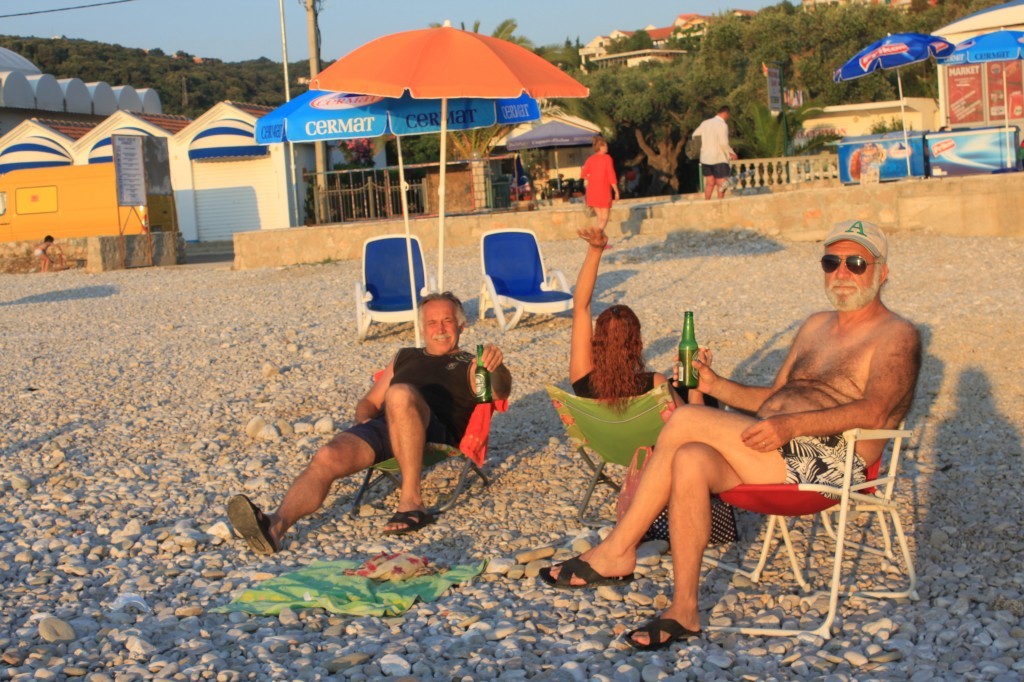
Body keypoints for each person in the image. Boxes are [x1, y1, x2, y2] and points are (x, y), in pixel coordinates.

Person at [543, 220, 921, 651]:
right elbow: (773, 399)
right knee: (689, 457)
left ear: (882, 272)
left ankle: (617, 548)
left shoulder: (896, 335)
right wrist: (716, 385)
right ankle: (684, 610)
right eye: (831, 262)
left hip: (835, 460)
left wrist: (791, 425)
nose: (841, 272)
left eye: (856, 263)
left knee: (685, 421)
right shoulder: (815, 326)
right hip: (775, 449)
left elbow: (875, 410)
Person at [227, 292, 513, 553]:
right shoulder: (405, 356)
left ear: (461, 326)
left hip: (434, 431)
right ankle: (275, 526)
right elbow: (370, 402)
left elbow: (500, 391)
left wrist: (496, 367)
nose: (439, 329)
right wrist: (362, 421)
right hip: (387, 425)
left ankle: (412, 501)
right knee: (327, 455)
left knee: (399, 394)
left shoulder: (470, 364)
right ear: (422, 327)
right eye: (432, 322)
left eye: (447, 321)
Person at [693, 106, 738, 200]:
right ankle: (719, 203)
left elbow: (695, 135)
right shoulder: (722, 125)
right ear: (726, 113)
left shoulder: (705, 123)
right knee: (721, 184)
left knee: (709, 183)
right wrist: (731, 153)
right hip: (718, 158)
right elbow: (723, 143)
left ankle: (707, 202)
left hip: (705, 158)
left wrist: (701, 148)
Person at [580, 136, 619, 237]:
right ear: (600, 147)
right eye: (605, 145)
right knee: (605, 216)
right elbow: (611, 175)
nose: (607, 147)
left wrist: (592, 178)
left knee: (600, 216)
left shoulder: (590, 159)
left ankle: (600, 238)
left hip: (592, 191)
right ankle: (597, 234)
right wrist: (616, 191)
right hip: (603, 190)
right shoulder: (607, 158)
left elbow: (583, 174)